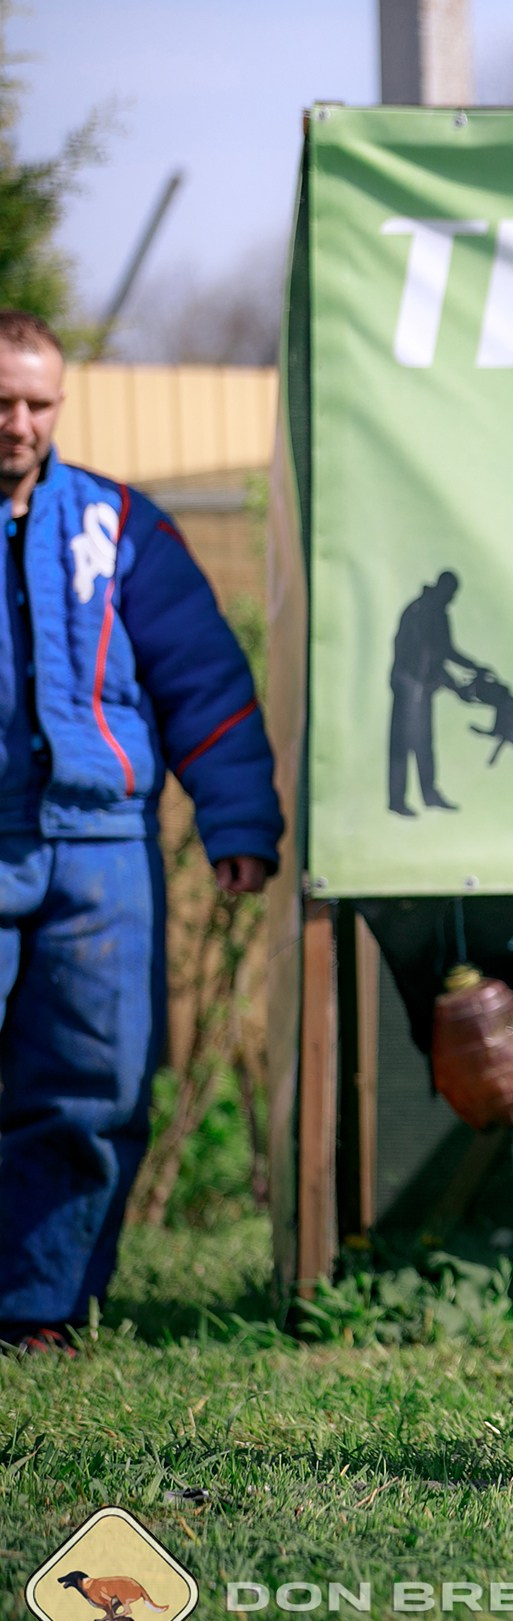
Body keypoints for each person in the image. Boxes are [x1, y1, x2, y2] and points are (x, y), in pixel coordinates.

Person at [0, 310, 282, 1351]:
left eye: (36, 402)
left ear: (61, 405)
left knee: (92, 1090)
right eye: (2, 402)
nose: (18, 423)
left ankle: (40, 1314)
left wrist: (237, 821)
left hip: (101, 847)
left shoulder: (121, 528)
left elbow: (203, 686)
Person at [387, 569, 479, 814]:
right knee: (402, 744)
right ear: (442, 589)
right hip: (408, 685)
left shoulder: (438, 613)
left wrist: (473, 666)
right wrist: (452, 684)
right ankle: (397, 801)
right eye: (451, 593)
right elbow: (427, 656)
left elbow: (446, 650)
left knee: (424, 742)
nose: (453, 599)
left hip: (421, 688)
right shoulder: (420, 611)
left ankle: (429, 794)